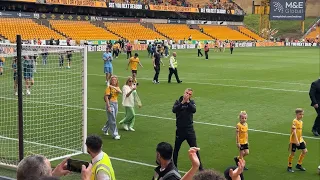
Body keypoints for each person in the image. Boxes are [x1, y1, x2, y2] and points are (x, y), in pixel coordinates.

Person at [172, 88, 203, 171]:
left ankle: (201, 169)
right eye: (187, 93)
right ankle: (174, 167)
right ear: (183, 92)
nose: (187, 95)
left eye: (189, 94)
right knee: (176, 150)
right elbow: (174, 110)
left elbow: (194, 110)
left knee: (195, 149)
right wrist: (182, 103)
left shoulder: (191, 103)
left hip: (189, 130)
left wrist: (188, 102)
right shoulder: (178, 102)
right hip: (180, 130)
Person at [287, 108, 308, 173]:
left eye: (302, 114)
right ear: (296, 114)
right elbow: (294, 132)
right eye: (300, 114)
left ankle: (299, 164)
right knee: (293, 153)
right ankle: (289, 166)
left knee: (305, 151)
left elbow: (300, 132)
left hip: (300, 139)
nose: (301, 116)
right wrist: (296, 141)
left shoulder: (301, 122)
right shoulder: (294, 121)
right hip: (294, 140)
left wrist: (302, 139)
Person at [102, 75, 122, 140]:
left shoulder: (117, 87)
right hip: (110, 104)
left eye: (115, 80)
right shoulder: (108, 88)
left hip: (116, 104)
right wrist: (108, 106)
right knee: (112, 119)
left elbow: (120, 92)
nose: (114, 80)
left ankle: (105, 129)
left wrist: (113, 86)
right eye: (112, 79)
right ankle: (115, 134)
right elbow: (106, 97)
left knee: (112, 118)